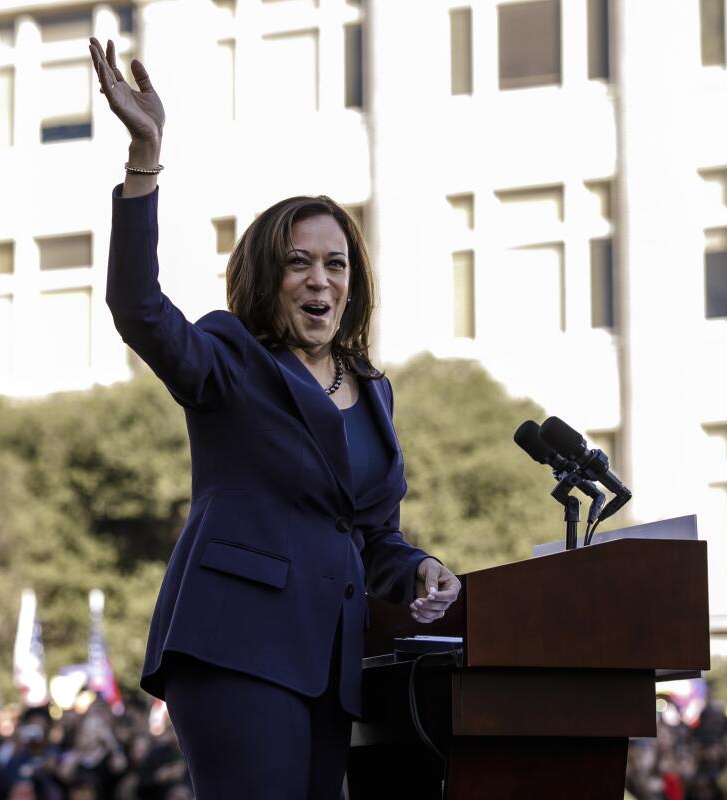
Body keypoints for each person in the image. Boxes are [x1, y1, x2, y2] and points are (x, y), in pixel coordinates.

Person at [87, 36, 462, 799]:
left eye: (336, 264)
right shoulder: (231, 359)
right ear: (269, 276)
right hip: (235, 646)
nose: (320, 279)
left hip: (331, 664)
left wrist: (419, 567)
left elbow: (370, 535)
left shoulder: (373, 392)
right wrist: (145, 159)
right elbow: (139, 310)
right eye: (299, 262)